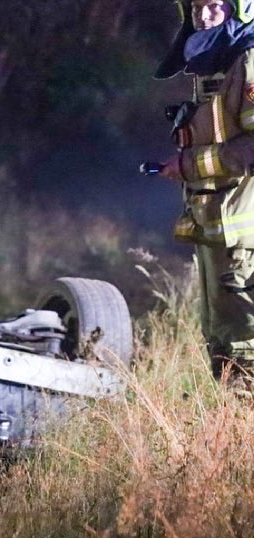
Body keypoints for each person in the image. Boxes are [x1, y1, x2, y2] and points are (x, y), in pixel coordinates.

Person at [154, 0, 254, 381]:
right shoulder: (219, 63)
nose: (204, 17)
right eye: (197, 8)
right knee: (224, 346)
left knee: (246, 347)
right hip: (221, 233)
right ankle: (228, 436)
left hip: (246, 240)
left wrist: (189, 164)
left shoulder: (250, 61)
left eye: (214, 6)